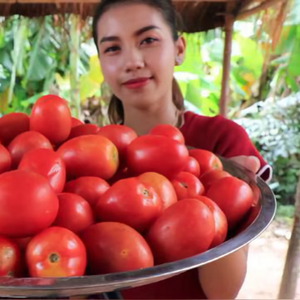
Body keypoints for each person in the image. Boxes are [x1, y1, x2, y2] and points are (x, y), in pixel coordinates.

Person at [92, 0, 272, 298]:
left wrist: (224, 195)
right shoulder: (93, 151)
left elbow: (222, 292)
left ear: (179, 49)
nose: (132, 61)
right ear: (100, 61)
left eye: (148, 40)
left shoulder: (221, 141)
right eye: (113, 48)